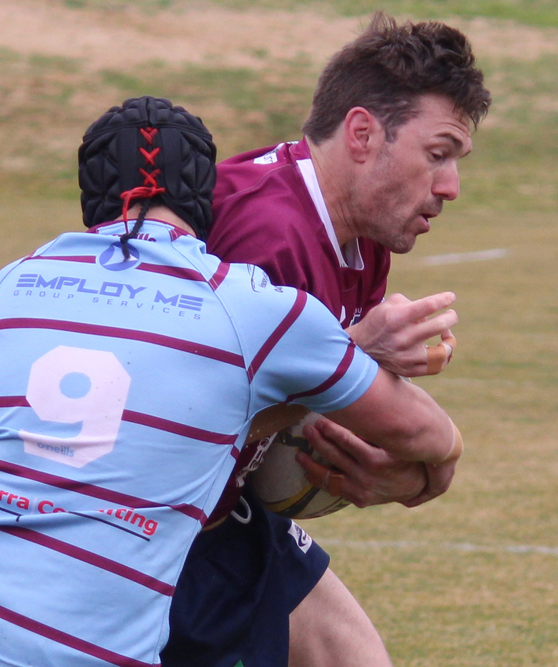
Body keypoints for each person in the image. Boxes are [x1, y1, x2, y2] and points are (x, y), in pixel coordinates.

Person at [0, 95, 462, 667]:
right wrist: (433, 461)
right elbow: (426, 435)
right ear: (205, 198)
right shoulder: (251, 307)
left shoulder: (13, 284)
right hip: (74, 650)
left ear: (91, 194)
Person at [162, 13, 492, 667]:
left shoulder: (360, 236)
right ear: (363, 134)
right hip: (156, 532)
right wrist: (358, 361)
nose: (450, 186)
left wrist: (392, 469)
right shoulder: (268, 235)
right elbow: (188, 417)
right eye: (438, 154)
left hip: (223, 516)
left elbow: (324, 411)